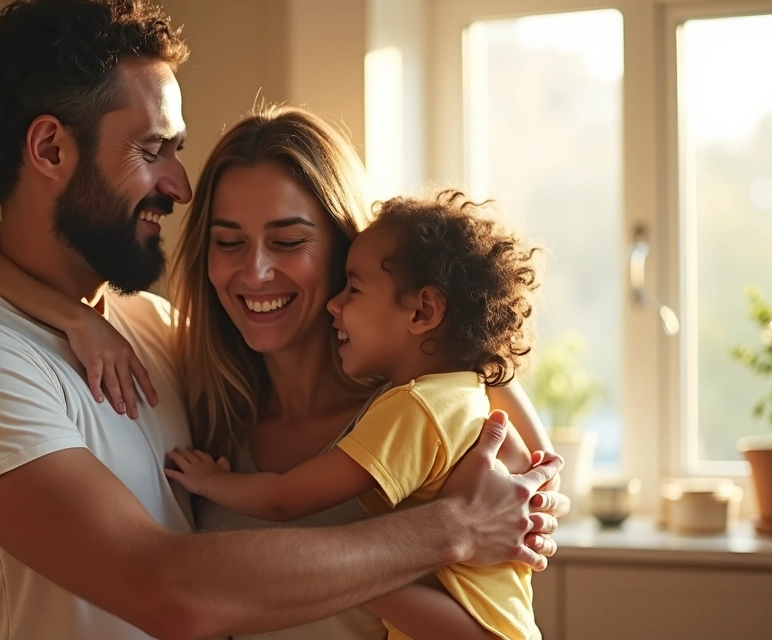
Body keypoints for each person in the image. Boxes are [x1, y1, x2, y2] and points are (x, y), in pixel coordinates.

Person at [0, 1, 567, 639]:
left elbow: (461, 387)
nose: (179, 186)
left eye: (291, 240)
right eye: (153, 150)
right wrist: (456, 527)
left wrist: (525, 453)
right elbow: (168, 588)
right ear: (52, 150)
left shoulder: (150, 334)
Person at [164, 191, 543, 640]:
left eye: (354, 289)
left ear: (423, 311)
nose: (334, 305)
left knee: (360, 579)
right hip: (507, 623)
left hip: (474, 627)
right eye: (229, 242)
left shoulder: (415, 408)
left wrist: (212, 482)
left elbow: (286, 499)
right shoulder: (467, 394)